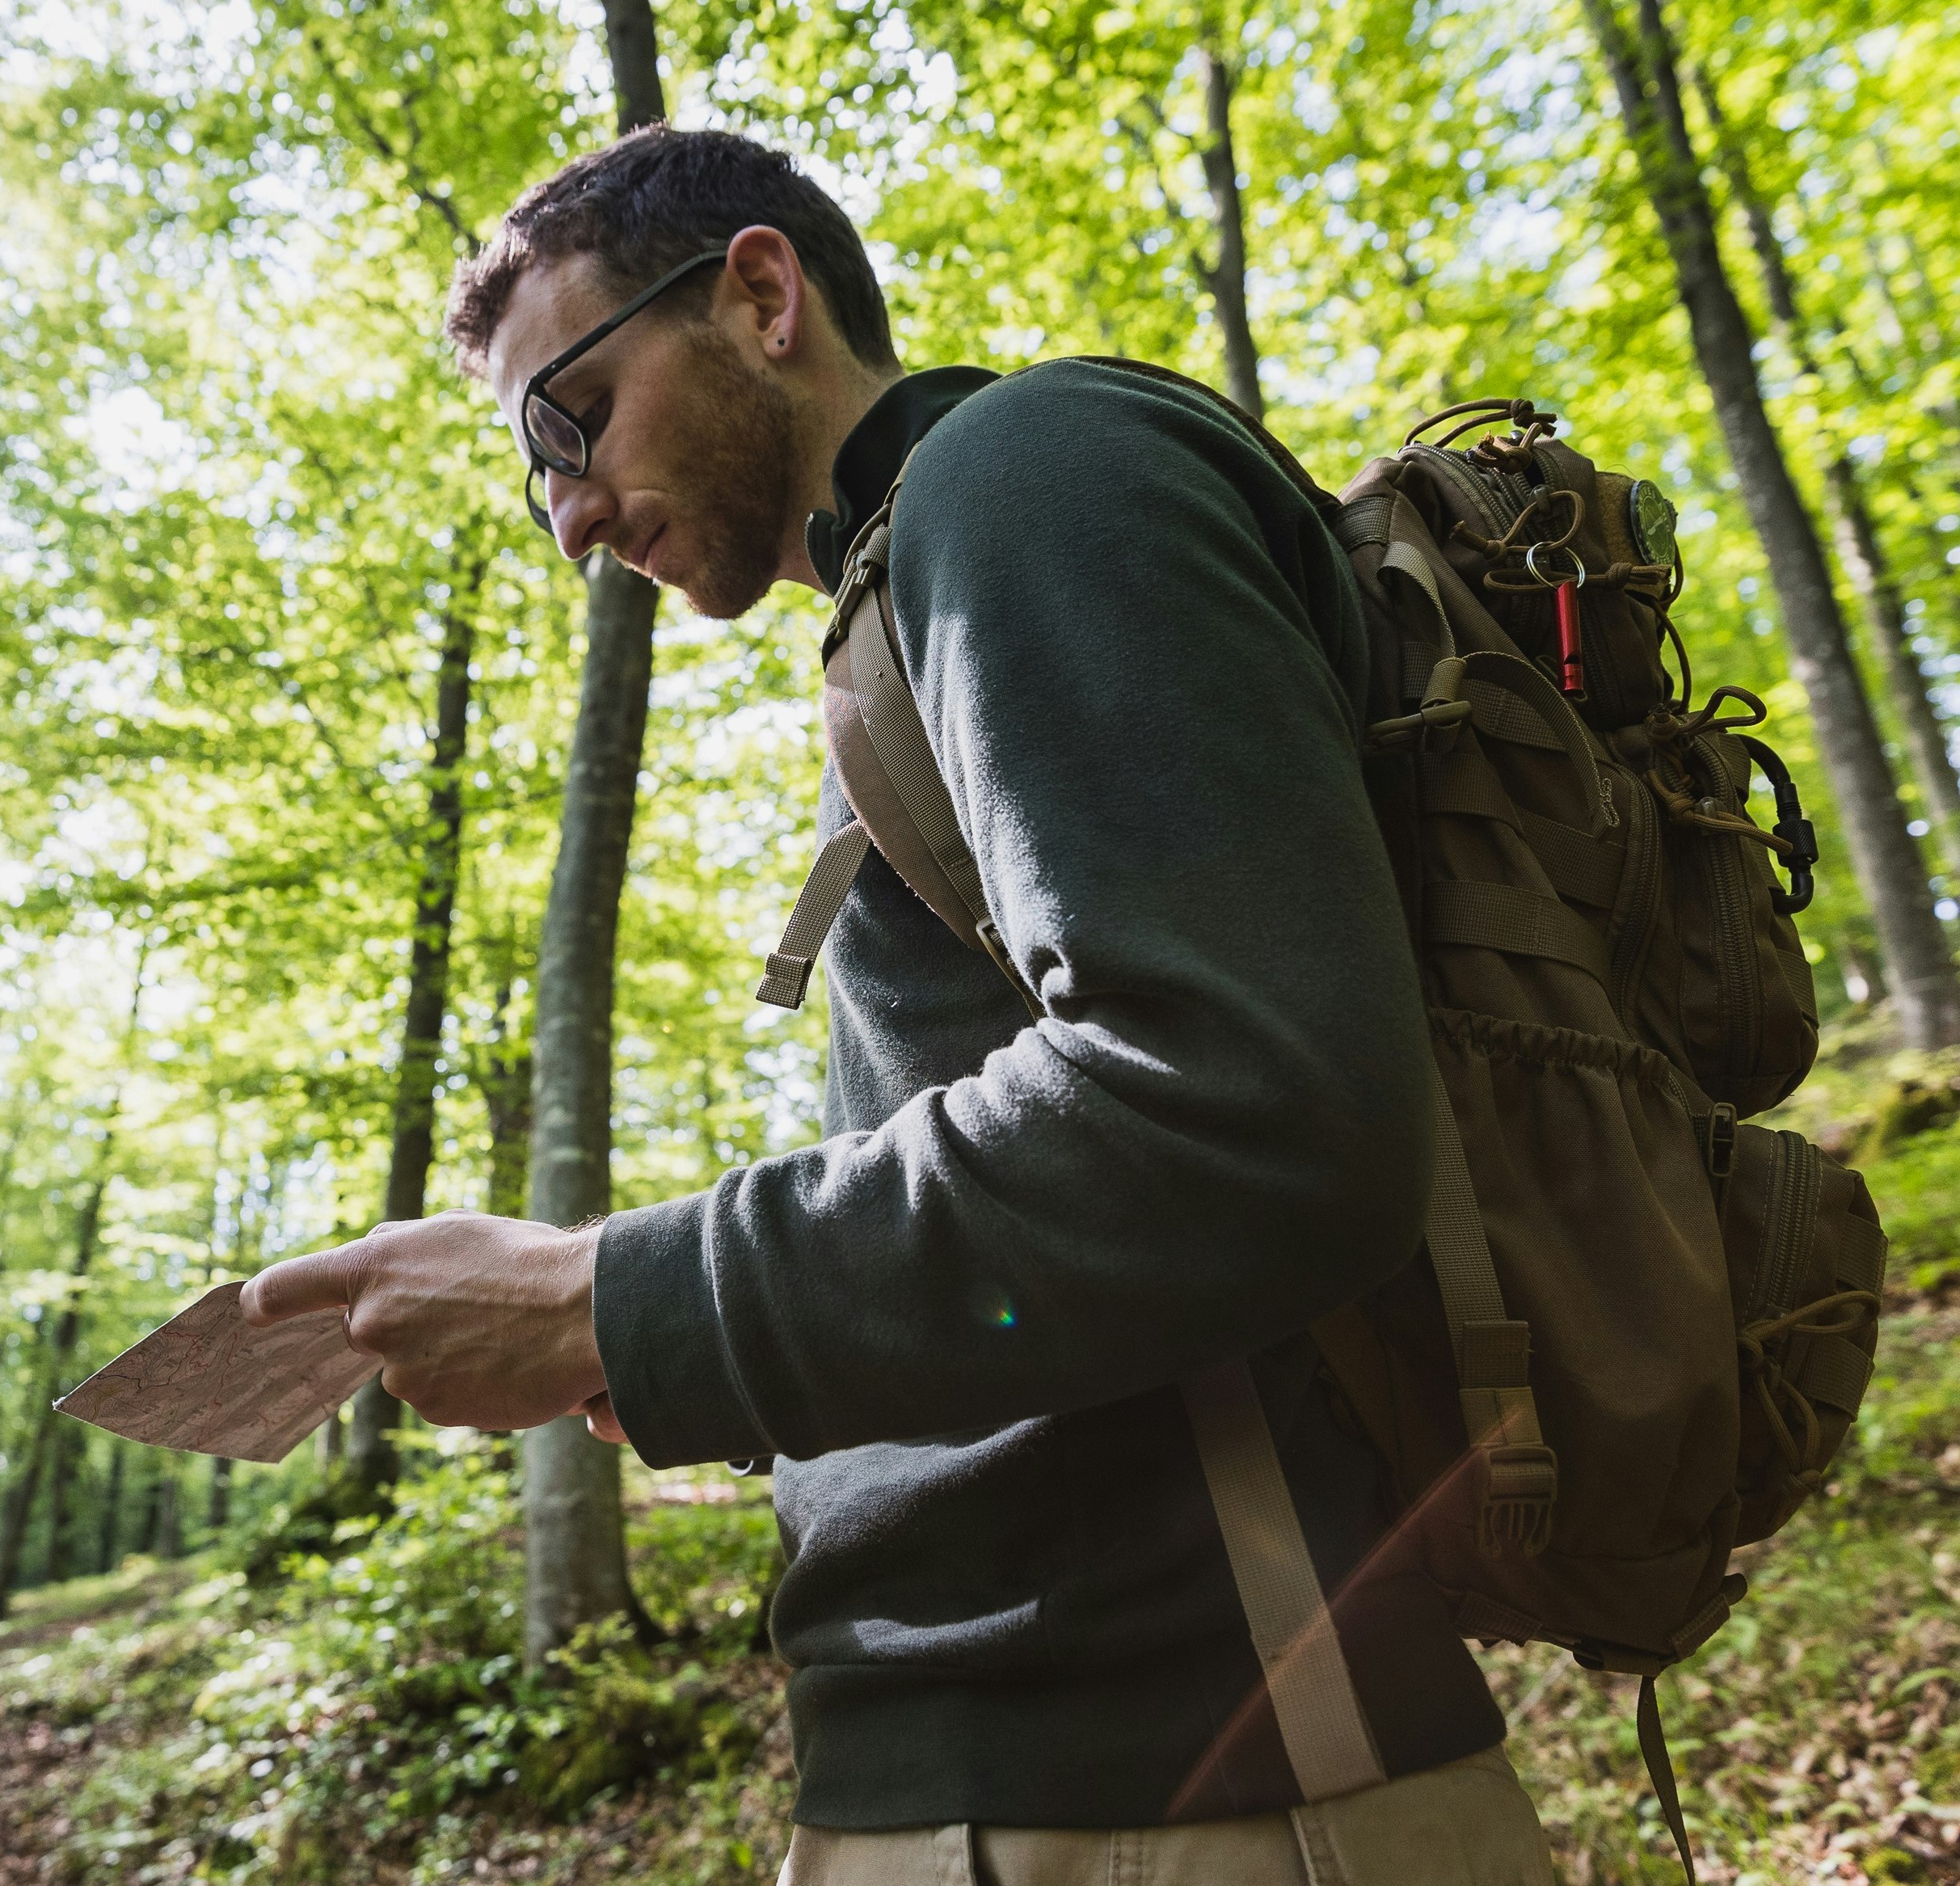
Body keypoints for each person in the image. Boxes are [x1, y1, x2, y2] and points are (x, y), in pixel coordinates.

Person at [240, 126, 1557, 1885]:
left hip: (1206, 1772)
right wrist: (710, 1345)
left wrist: (613, 1301)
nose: (564, 516)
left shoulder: (1029, 476)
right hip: (992, 1761)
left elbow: (1248, 1113)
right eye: (527, 476)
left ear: (759, 294)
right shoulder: (904, 598)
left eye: (571, 417)